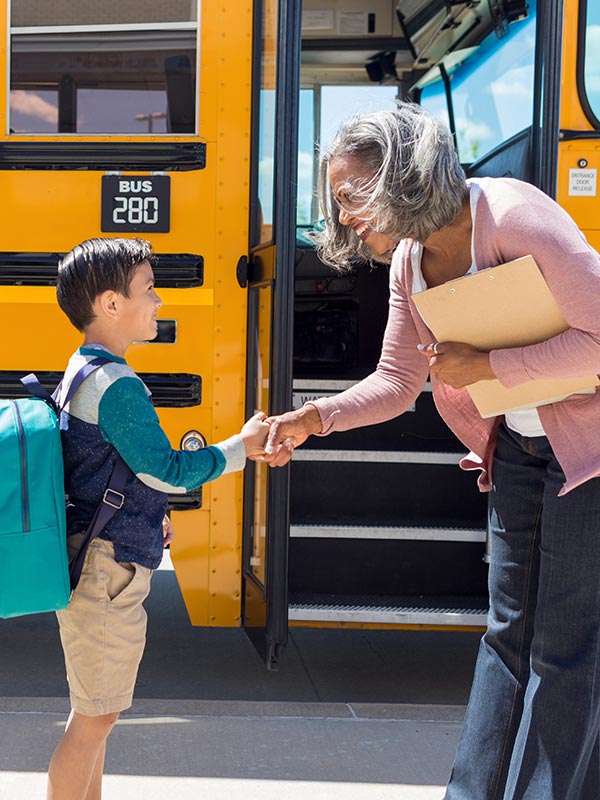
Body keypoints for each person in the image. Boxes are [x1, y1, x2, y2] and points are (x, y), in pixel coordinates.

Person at [262, 103, 600, 799]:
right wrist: (314, 418)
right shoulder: (410, 263)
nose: (347, 215)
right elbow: (396, 381)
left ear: (404, 174)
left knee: (563, 651)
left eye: (354, 194)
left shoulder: (513, 217)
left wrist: (489, 366)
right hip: (519, 453)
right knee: (506, 639)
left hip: (588, 458)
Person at [48, 237, 269, 800]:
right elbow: (167, 470)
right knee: (94, 719)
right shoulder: (116, 385)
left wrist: (151, 514)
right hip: (107, 570)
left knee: (98, 714)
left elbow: (111, 468)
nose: (160, 301)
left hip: (97, 556)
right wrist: (240, 448)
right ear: (111, 303)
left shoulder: (83, 369)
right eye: (149, 289)